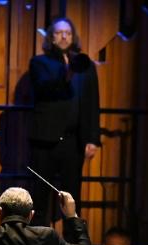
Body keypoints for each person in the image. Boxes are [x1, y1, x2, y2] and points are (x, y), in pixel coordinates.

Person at [28, 16, 100, 226]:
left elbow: (92, 103)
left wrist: (92, 138)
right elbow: (43, 89)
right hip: (45, 140)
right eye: (59, 32)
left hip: (73, 141)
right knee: (40, 197)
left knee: (71, 199)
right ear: (51, 37)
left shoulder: (84, 65)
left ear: (73, 37)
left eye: (68, 33)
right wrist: (66, 74)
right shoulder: (39, 62)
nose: (64, 36)